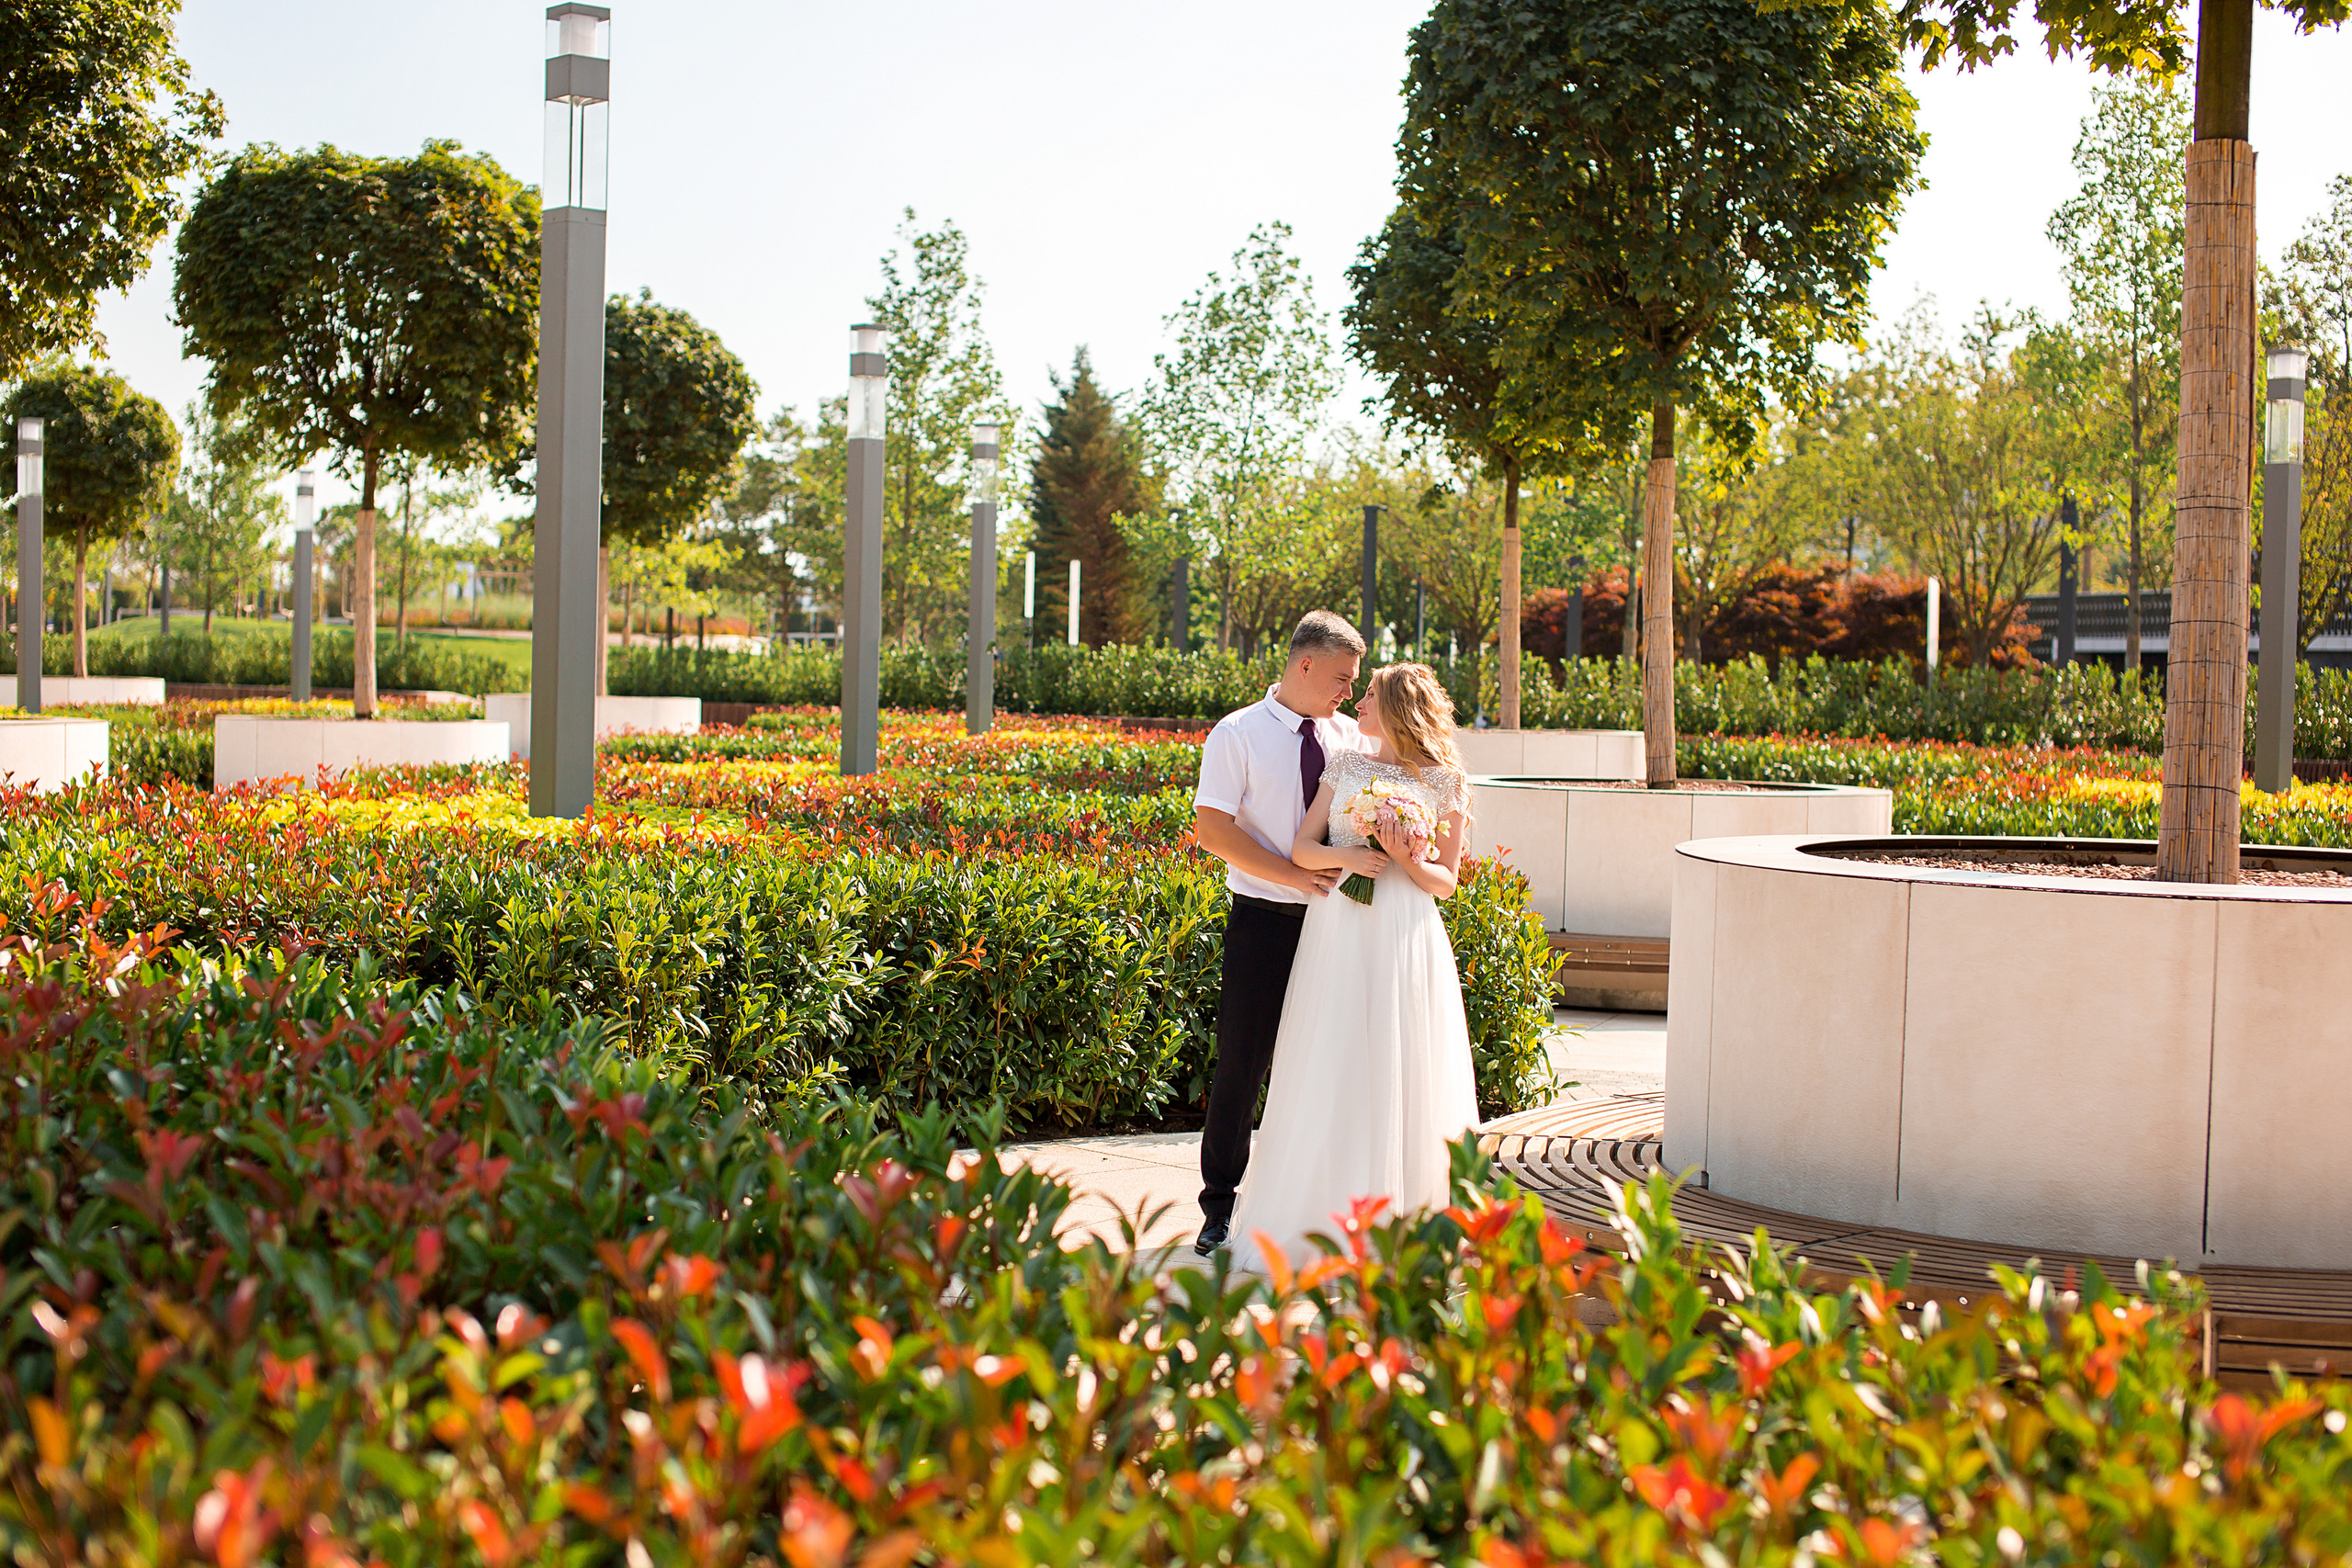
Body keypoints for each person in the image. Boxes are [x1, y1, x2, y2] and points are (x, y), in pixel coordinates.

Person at [1226, 660, 1480, 1272]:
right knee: (1334, 1057)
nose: (1357, 703)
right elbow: (1302, 848)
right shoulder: (1344, 766)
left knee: (1402, 1057)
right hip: (1339, 927)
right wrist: (1351, 857)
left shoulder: (1447, 782)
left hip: (1407, 932)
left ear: (1395, 708)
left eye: (1368, 694)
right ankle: (1320, 1218)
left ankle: (1408, 1223)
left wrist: (1403, 858)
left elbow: (1446, 881)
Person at [1190, 611, 1372, 1257]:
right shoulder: (1236, 733)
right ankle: (1218, 1208)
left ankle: (1320, 1206)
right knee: (1241, 1067)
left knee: (1333, 1066)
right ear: (1305, 664)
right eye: (1343, 677)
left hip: (1338, 927)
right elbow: (1213, 830)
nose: (1350, 690)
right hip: (1264, 922)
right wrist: (1295, 876)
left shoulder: (1352, 738)